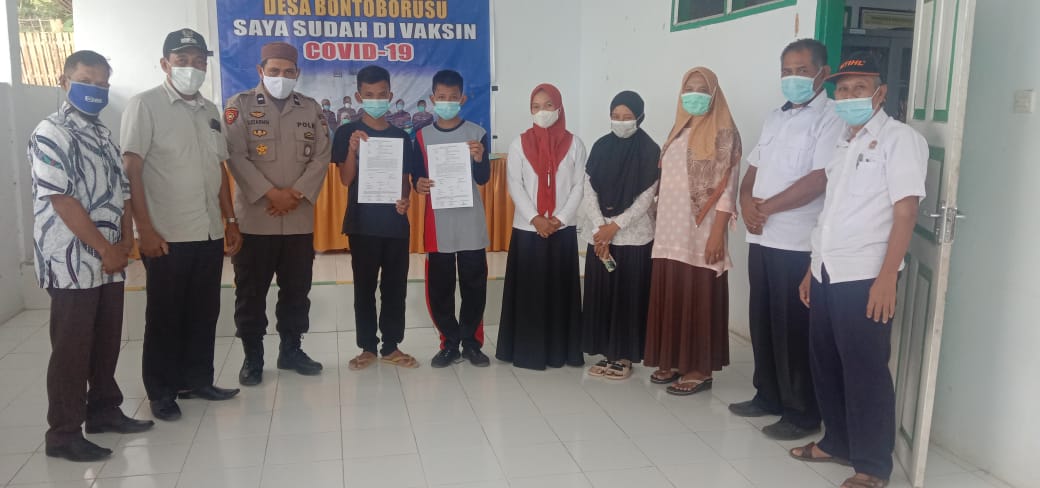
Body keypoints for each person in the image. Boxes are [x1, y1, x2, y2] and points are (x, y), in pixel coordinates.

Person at [789, 53, 927, 488]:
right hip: (827, 270)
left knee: (865, 370)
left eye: (859, 88)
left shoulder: (899, 140)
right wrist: (813, 267)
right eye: (843, 89)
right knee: (826, 361)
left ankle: (871, 466)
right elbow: (831, 210)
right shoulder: (843, 142)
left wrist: (887, 277)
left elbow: (905, 212)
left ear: (879, 93)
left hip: (866, 275)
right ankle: (837, 442)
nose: (849, 96)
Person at [29, 50, 154, 462]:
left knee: (106, 341)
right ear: (64, 81)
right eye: (86, 81)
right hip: (71, 261)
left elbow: (121, 193)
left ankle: (103, 411)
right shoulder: (50, 132)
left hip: (110, 260)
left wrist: (125, 241)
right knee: (72, 348)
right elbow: (62, 200)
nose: (95, 90)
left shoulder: (102, 133)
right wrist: (104, 248)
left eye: (102, 84)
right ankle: (63, 433)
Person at [122, 28, 241, 421]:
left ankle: (197, 380)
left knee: (204, 311)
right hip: (167, 233)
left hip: (208, 230)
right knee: (165, 315)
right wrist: (144, 230)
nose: (192, 67)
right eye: (182, 60)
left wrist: (230, 219)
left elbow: (219, 170)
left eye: (198, 61)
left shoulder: (210, 110)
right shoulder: (144, 105)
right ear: (165, 64)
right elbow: (131, 169)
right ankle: (161, 391)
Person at [729, 39, 845, 441]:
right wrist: (746, 203)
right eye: (786, 71)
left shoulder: (832, 117)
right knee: (762, 318)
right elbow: (752, 171)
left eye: (801, 70)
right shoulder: (774, 118)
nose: (792, 78)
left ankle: (802, 412)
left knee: (793, 328)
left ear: (822, 73)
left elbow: (819, 179)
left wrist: (767, 208)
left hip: (797, 241)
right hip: (761, 237)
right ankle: (768, 395)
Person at [223, 42, 331, 386]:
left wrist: (295, 194)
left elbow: (321, 156)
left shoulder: (310, 108)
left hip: (298, 219)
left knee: (297, 290)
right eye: (274, 71)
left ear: (297, 73)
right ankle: (253, 358)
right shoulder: (239, 106)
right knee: (250, 293)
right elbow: (235, 155)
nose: (281, 77)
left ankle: (291, 350)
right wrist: (272, 194)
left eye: (288, 72)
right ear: (261, 71)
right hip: (256, 219)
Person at [644, 67, 741, 396]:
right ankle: (673, 359)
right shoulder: (678, 129)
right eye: (689, 88)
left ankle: (699, 368)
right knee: (672, 290)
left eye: (702, 88)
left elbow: (727, 188)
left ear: (714, 94)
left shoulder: (724, 132)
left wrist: (717, 234)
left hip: (701, 232)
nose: (694, 94)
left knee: (697, 293)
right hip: (669, 231)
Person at [332, 65, 420, 370]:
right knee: (364, 287)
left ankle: (391, 346)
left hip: (395, 224)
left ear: (390, 95)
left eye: (382, 94)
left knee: (395, 288)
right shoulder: (347, 132)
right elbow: (345, 179)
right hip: (362, 223)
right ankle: (367, 347)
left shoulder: (401, 136)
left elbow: (405, 180)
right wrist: (353, 150)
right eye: (369, 95)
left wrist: (405, 200)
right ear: (359, 97)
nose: (376, 99)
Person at [496, 83, 586, 371]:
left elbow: (579, 185)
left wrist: (559, 219)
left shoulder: (575, 144)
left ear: (559, 107)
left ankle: (561, 351)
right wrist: (535, 218)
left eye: (548, 105)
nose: (542, 111)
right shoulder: (518, 143)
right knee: (530, 293)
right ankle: (527, 351)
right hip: (528, 230)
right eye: (536, 106)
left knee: (560, 292)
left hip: (562, 229)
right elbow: (515, 184)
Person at [412, 70, 492, 368]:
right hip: (439, 225)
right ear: (433, 99)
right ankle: (448, 343)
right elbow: (417, 177)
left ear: (463, 99)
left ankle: (472, 343)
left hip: (470, 222)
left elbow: (483, 178)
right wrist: (418, 184)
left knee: (474, 285)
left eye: (453, 97)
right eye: (441, 97)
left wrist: (479, 158)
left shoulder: (476, 133)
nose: (447, 102)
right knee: (440, 288)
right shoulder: (421, 136)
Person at [580, 90, 660, 380]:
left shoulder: (650, 150)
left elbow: (647, 197)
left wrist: (614, 227)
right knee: (602, 294)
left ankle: (624, 355)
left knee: (628, 297)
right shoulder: (601, 146)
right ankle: (605, 352)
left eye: (627, 117)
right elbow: (588, 187)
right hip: (600, 237)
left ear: (640, 117)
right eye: (616, 116)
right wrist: (600, 228)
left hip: (633, 238)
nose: (621, 121)